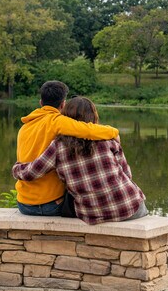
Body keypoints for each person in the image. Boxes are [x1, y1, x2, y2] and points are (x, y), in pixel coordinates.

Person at [13, 96, 147, 225]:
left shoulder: (58, 146)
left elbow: (31, 173)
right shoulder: (108, 140)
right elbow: (127, 175)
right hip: (130, 207)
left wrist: (16, 168)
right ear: (94, 116)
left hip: (91, 214)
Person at [15, 81, 120, 216]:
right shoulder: (58, 122)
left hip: (23, 203)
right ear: (63, 104)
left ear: (41, 102)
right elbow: (88, 129)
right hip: (50, 205)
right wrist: (114, 132)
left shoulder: (24, 127)